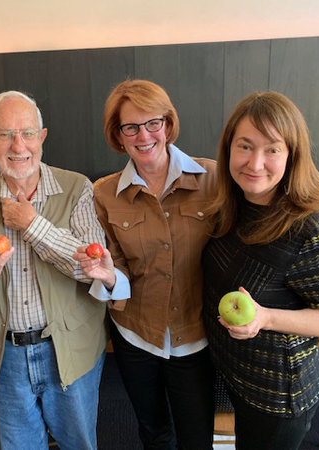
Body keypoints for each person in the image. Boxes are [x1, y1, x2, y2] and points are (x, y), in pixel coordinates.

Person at [0, 90, 108, 450]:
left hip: (70, 350)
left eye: (28, 133)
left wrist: (33, 225)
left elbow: (92, 269)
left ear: (43, 136)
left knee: (79, 444)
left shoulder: (77, 188)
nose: (18, 145)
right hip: (4, 359)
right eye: (4, 134)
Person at [201, 91, 319, 450]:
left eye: (272, 149)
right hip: (235, 373)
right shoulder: (231, 204)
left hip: (278, 394)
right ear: (228, 150)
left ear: (292, 155)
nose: (255, 163)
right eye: (245, 146)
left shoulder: (312, 225)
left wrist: (265, 318)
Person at [74, 79, 217, 449]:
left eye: (153, 123)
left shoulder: (213, 179)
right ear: (118, 136)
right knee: (153, 432)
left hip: (195, 336)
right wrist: (107, 277)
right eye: (131, 127)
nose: (144, 135)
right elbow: (116, 268)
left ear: (168, 124)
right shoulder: (103, 193)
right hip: (136, 336)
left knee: (196, 435)